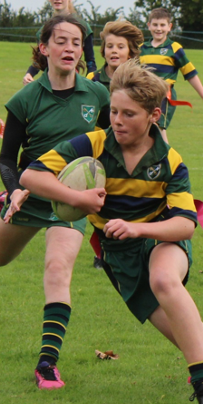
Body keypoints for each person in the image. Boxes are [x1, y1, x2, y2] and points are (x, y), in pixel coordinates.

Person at [20, 62, 203, 404]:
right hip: (122, 259)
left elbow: (184, 225)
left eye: (128, 114)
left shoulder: (168, 161)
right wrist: (80, 200)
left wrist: (139, 229)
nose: (117, 120)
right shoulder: (93, 144)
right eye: (113, 111)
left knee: (163, 279)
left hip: (162, 238)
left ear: (154, 115)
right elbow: (31, 174)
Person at [0, 15, 111, 389]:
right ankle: (2, 205)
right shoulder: (25, 99)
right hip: (31, 194)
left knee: (57, 269)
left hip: (72, 200)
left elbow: (111, 147)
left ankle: (47, 363)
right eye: (61, 41)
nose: (69, 48)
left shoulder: (97, 96)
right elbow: (8, 158)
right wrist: (13, 191)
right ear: (44, 49)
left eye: (76, 42)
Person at [83, 19, 145, 270]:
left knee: (126, 198)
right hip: (100, 149)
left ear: (130, 51)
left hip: (131, 148)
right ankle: (102, 252)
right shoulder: (91, 78)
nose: (114, 51)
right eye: (109, 46)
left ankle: (128, 247)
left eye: (120, 46)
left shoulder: (141, 79)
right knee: (97, 200)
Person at [138, 7, 203, 140]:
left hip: (164, 95)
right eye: (155, 25)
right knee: (143, 128)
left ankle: (166, 159)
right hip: (144, 95)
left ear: (169, 27)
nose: (158, 28)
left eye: (162, 25)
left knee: (158, 127)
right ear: (149, 25)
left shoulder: (174, 48)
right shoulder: (141, 49)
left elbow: (191, 74)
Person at [22, 0, 97, 84]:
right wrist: (29, 73)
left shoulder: (83, 27)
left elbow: (90, 62)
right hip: (49, 83)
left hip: (73, 83)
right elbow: (40, 60)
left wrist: (91, 81)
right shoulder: (43, 31)